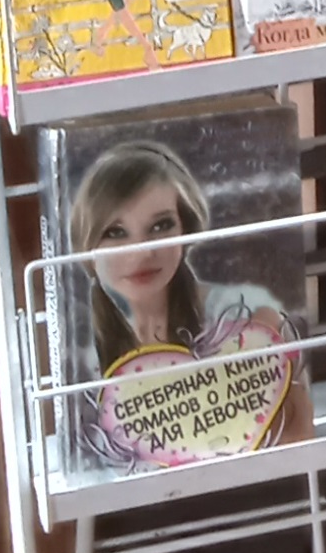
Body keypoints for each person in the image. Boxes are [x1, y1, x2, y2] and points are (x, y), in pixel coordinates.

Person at [66, 138, 312, 451]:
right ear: (88, 247)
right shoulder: (88, 361)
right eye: (115, 232)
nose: (142, 251)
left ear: (185, 229)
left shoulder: (243, 316)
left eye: (161, 226)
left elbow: (295, 437)